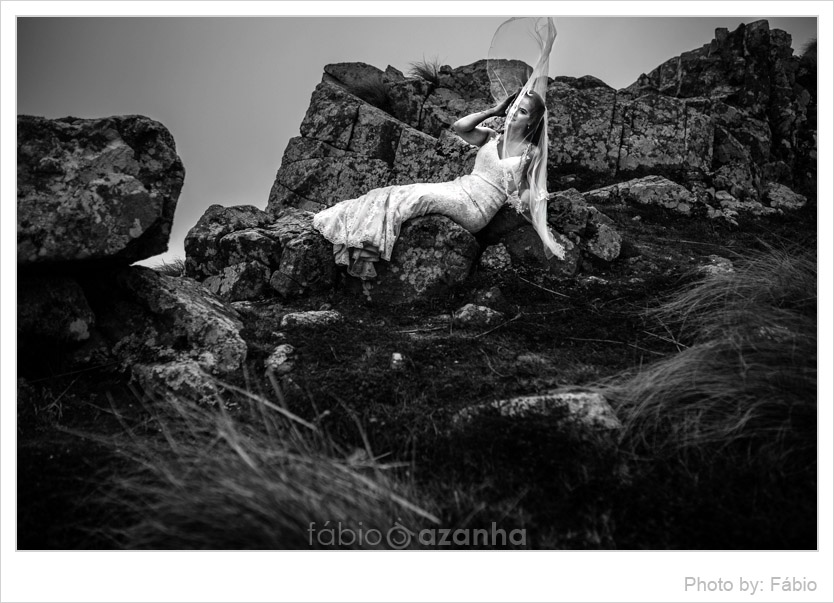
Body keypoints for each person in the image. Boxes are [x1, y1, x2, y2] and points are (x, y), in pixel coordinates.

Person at [312, 17, 564, 280]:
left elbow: (530, 191)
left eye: (521, 112)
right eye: (513, 108)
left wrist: (526, 202)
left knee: (417, 199)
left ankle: (366, 256)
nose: (513, 114)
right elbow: (460, 127)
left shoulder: (530, 153)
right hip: (458, 188)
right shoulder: (491, 136)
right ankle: (360, 244)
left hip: (476, 209)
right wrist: (494, 110)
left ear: (532, 121)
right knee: (393, 192)